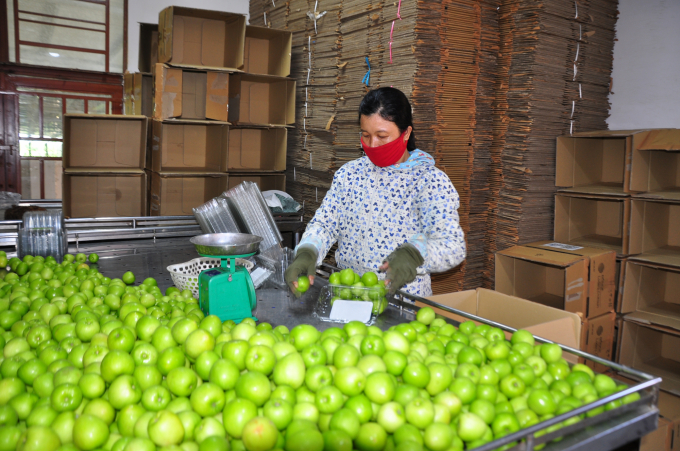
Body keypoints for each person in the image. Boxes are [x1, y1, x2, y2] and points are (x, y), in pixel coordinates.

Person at [284, 87, 466, 298]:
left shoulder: (429, 181)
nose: (372, 145)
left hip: (402, 302)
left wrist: (415, 254)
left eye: (382, 136)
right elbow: (325, 225)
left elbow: (451, 245)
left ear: (406, 133)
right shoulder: (350, 174)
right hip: (348, 294)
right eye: (366, 135)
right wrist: (308, 251)